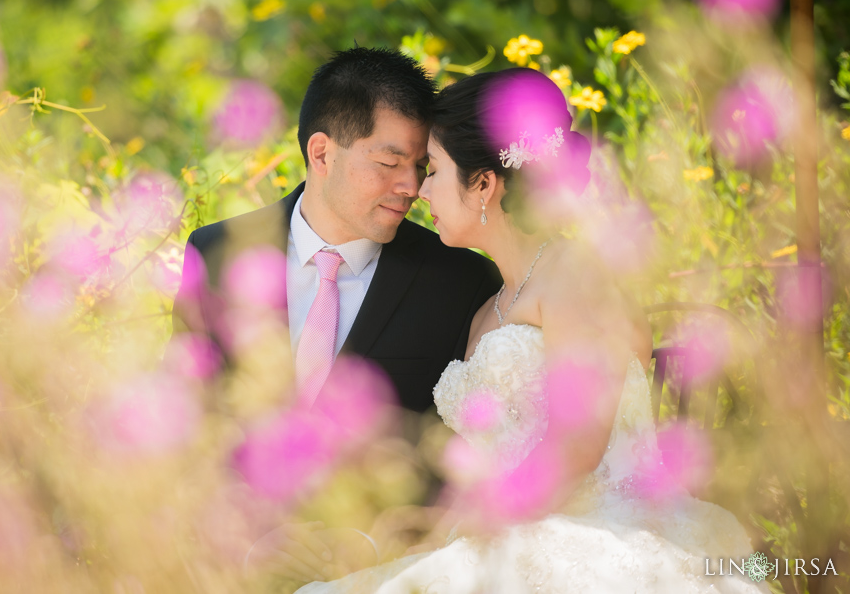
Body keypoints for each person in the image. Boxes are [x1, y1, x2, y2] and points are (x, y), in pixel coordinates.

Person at [295, 68, 768, 593]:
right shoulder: (487, 306)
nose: (418, 189)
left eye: (433, 170)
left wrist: (476, 523)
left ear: (482, 183)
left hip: (593, 527)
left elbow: (578, 444)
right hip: (496, 529)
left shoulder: (578, 278)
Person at [172, 47, 501, 585]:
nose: (411, 187)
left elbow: (464, 454)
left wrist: (366, 548)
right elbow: (192, 419)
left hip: (386, 571)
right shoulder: (216, 252)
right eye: (390, 164)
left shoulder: (462, 282)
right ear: (322, 153)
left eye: (420, 167)